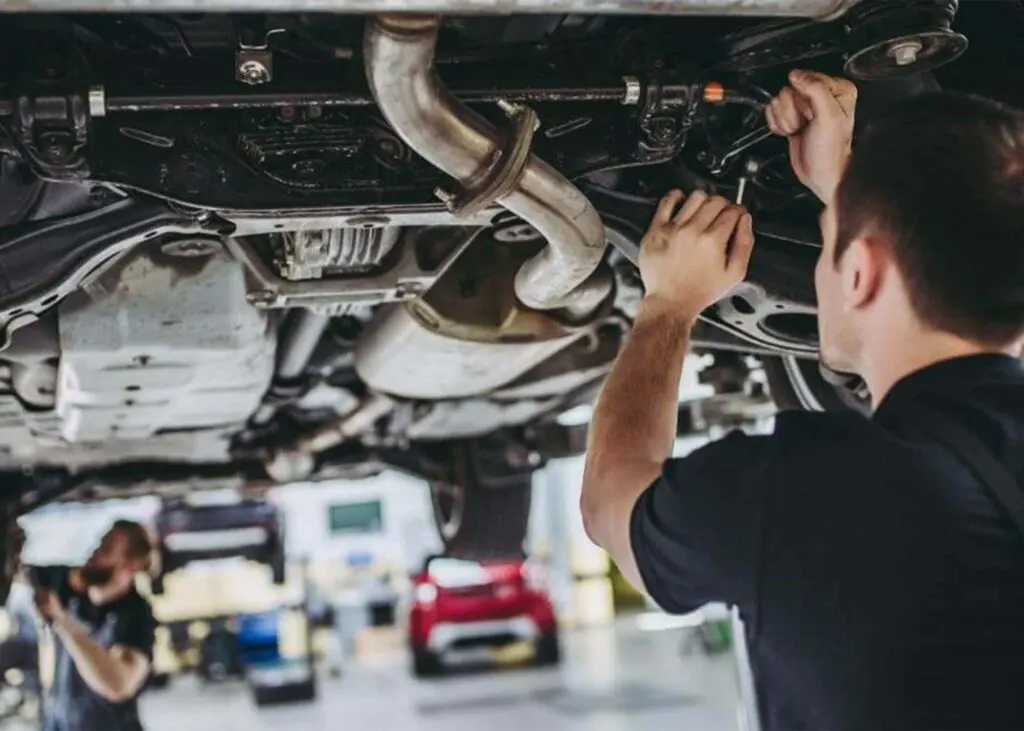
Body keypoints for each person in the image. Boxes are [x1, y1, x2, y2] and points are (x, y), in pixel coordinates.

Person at [581, 69, 1024, 729]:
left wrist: (667, 305)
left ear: (858, 270)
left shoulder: (810, 492)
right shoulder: (819, 490)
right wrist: (849, 188)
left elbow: (609, 498)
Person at [27, 520, 156, 731]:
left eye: (107, 549)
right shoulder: (67, 585)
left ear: (132, 564)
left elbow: (118, 684)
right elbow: (17, 573)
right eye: (99, 544)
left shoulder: (135, 615)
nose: (94, 553)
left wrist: (63, 623)